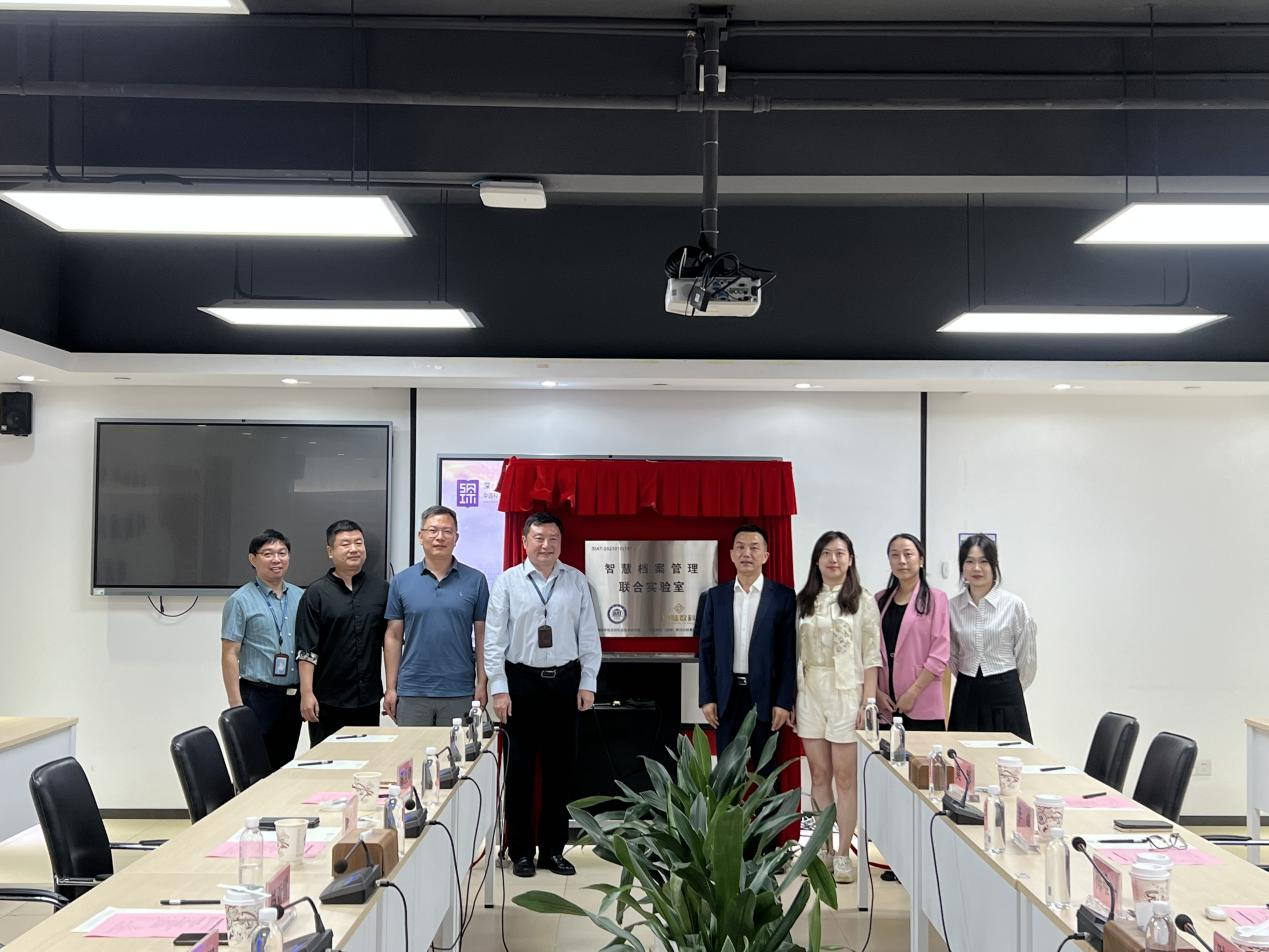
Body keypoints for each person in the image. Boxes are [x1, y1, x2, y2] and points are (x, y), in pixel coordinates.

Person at [484, 512, 601, 879]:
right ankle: (520, 851)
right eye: (538, 538)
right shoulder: (507, 583)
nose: (546, 545)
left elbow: (589, 636)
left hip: (565, 682)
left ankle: (552, 850)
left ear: (561, 543)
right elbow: (494, 641)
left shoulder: (576, 581)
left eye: (553, 538)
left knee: (560, 771)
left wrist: (588, 681)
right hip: (521, 683)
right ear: (524, 542)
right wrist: (499, 688)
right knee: (519, 772)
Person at [794, 531, 880, 885]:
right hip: (809, 691)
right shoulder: (804, 600)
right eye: (827, 553)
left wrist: (868, 702)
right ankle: (822, 849)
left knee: (845, 777)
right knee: (818, 775)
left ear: (850, 560)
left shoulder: (862, 600)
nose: (833, 559)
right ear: (817, 560)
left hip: (846, 692)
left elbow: (872, 656)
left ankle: (844, 852)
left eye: (840, 553)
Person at [698, 523, 796, 773]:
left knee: (766, 773)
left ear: (765, 555)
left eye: (754, 548)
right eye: (740, 548)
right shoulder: (716, 597)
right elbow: (706, 651)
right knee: (727, 774)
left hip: (766, 698)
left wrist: (784, 701)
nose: (746, 554)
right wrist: (707, 697)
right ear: (731, 554)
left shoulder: (783, 597)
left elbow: (788, 655)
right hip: (727, 697)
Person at [384, 505, 490, 726]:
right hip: (412, 690)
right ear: (420, 536)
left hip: (459, 689)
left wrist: (482, 683)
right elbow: (393, 636)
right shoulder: (401, 581)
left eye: (447, 531)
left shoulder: (476, 580)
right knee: (412, 749)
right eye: (432, 530)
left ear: (456, 537)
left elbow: (482, 636)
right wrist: (391, 687)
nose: (439, 537)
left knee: (457, 749)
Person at [296, 519, 389, 746]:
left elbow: (391, 641)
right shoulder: (315, 593)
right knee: (327, 761)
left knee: (366, 759)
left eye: (359, 542)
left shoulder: (382, 590)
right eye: (345, 544)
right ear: (330, 551)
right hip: (327, 700)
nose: (354, 549)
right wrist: (306, 693)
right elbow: (307, 649)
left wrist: (392, 688)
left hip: (367, 699)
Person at [220, 529, 304, 772]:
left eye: (282, 553)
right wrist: (236, 704)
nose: (276, 559)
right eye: (268, 554)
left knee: (284, 764)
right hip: (257, 696)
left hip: (292, 696)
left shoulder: (301, 596)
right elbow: (229, 654)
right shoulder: (240, 600)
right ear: (253, 559)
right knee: (254, 768)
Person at [947, 534, 1037, 743]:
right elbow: (952, 654)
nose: (976, 568)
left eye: (984, 561)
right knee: (963, 755)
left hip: (1006, 692)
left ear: (994, 565)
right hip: (966, 691)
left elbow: (1027, 658)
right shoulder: (952, 607)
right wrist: (968, 677)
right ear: (962, 567)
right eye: (970, 561)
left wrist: (1010, 686)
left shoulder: (1014, 605)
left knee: (1010, 755)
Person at [875, 533, 949, 731]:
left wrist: (913, 692)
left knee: (925, 751)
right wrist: (876, 692)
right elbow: (870, 650)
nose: (901, 561)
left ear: (921, 560)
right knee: (885, 751)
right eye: (894, 555)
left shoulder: (936, 599)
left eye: (908, 554)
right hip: (886, 702)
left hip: (921, 698)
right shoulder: (879, 600)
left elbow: (939, 654)